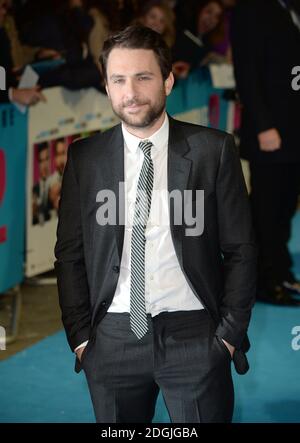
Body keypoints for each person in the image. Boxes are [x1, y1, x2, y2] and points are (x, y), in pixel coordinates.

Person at [54, 25, 257, 423]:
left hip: (195, 334)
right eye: (118, 80)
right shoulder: (86, 158)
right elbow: (69, 255)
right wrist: (81, 338)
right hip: (112, 338)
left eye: (143, 77)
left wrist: (228, 336)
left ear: (167, 80)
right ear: (108, 87)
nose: (130, 92)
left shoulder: (213, 151)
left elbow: (241, 249)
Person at [231, 0, 300, 305]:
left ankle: (281, 272)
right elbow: (246, 70)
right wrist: (263, 126)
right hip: (270, 129)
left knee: (286, 205)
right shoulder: (252, 8)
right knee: (267, 208)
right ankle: (264, 280)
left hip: (295, 127)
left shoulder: (293, 7)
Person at [32, 142, 52, 225]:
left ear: (50, 160)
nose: (44, 165)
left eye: (46, 159)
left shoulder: (57, 185)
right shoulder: (34, 189)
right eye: (41, 161)